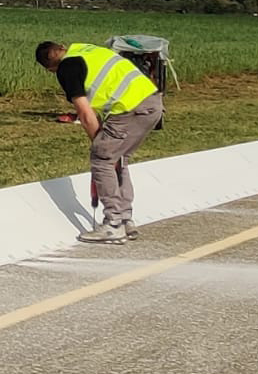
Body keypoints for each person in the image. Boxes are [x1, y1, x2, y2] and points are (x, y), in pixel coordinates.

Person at [35, 40, 163, 245]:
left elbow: (85, 115)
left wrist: (99, 143)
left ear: (50, 67)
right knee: (119, 159)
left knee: (103, 158)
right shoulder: (88, 50)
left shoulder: (67, 68)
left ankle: (113, 224)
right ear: (62, 48)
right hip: (152, 103)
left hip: (130, 109)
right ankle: (125, 219)